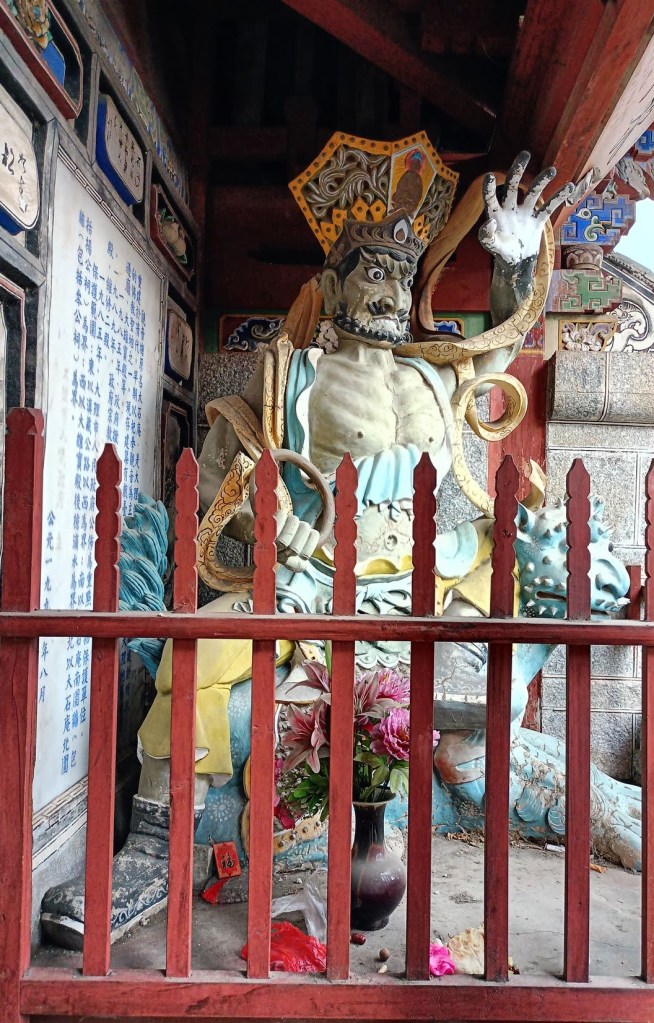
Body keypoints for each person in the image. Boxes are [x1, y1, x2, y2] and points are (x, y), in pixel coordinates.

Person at [41, 134, 588, 947]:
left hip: (428, 573)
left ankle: (467, 748)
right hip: (316, 576)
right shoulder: (291, 376)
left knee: (535, 578)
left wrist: (512, 262)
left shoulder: (436, 374)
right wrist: (274, 522)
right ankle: (150, 853)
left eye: (401, 275)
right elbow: (217, 485)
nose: (390, 291)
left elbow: (503, 343)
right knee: (193, 658)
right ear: (332, 286)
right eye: (373, 272)